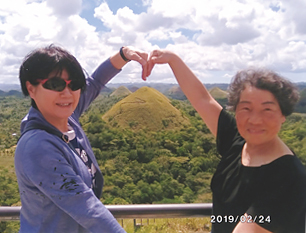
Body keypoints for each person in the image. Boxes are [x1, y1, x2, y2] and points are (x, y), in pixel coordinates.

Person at [147, 50, 306, 233]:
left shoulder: (289, 177)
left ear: (283, 115)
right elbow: (203, 100)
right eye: (246, 108)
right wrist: (173, 60)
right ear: (235, 111)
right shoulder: (237, 142)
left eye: (267, 109)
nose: (255, 119)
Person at [15, 44, 149, 233]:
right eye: (55, 84)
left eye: (75, 83)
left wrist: (123, 55)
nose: (67, 93)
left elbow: (95, 82)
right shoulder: (37, 146)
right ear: (31, 88)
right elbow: (88, 208)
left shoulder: (67, 116)